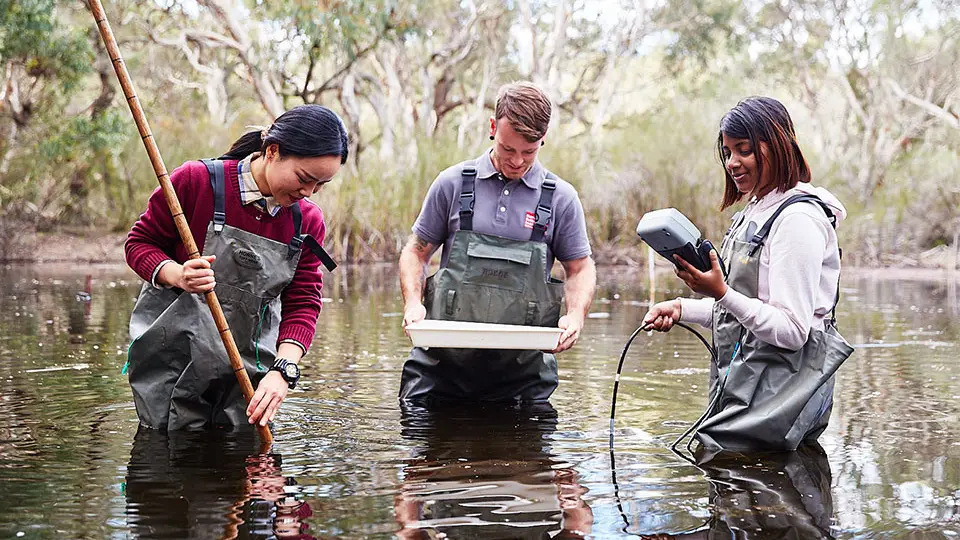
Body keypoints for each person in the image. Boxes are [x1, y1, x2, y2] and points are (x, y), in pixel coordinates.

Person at [643, 96, 854, 453]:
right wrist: (683, 309)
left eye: (744, 150)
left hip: (781, 394)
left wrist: (721, 293)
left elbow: (791, 331)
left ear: (779, 147)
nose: (732, 163)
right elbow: (744, 318)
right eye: (727, 152)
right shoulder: (754, 212)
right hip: (749, 384)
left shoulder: (797, 221)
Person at [124, 104, 347, 430]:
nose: (308, 193)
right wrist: (179, 275)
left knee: (243, 468)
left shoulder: (307, 221)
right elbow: (139, 244)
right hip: (171, 365)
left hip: (248, 373)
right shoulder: (195, 182)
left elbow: (303, 302)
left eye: (320, 185)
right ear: (273, 151)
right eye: (304, 179)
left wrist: (283, 370)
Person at [398, 81, 596, 403]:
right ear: (493, 128)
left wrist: (575, 316)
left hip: (523, 377)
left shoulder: (561, 198)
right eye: (508, 149)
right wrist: (413, 304)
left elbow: (580, 268)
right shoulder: (451, 184)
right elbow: (416, 252)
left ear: (543, 139)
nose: (517, 161)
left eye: (529, 152)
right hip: (440, 370)